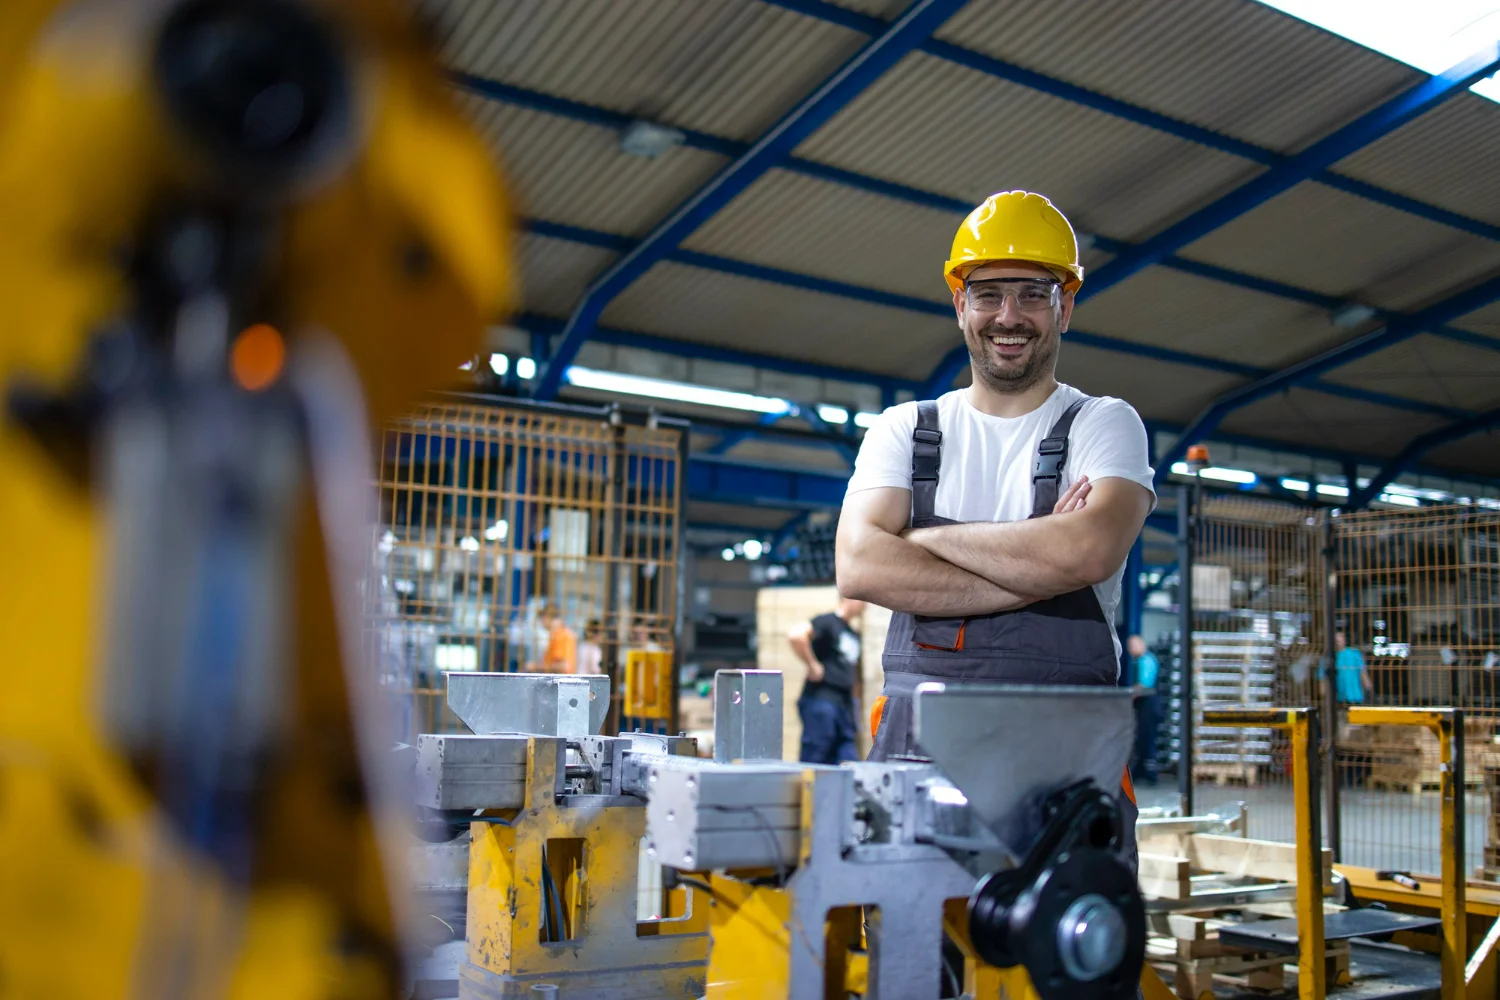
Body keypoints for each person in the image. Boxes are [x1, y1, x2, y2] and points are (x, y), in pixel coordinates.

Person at [836, 190, 1155, 866]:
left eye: (1033, 294)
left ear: (1064, 306)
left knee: (1067, 957)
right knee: (914, 964)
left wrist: (924, 541)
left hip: (1065, 774)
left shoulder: (1103, 424)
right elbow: (861, 566)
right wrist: (1042, 563)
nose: (1009, 317)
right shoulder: (907, 429)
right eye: (988, 294)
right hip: (916, 766)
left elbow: (1090, 549)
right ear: (960, 306)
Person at [788, 598, 867, 764]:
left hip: (844, 706)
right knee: (816, 756)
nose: (865, 606)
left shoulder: (852, 634)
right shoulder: (827, 622)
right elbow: (796, 635)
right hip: (822, 699)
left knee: (849, 761)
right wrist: (812, 664)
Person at [1128, 635, 1161, 784]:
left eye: (1133, 646)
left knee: (1147, 739)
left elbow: (1143, 686)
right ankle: (1140, 771)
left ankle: (1150, 773)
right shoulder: (1140, 661)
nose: (1130, 650)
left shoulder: (1146, 661)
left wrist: (1129, 696)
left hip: (1149, 706)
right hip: (1144, 707)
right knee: (1141, 739)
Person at [1334, 630, 1372, 705]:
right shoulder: (1329, 657)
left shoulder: (1354, 654)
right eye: (1336, 638)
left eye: (1341, 637)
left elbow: (1363, 673)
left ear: (1345, 639)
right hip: (1338, 698)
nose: (1338, 640)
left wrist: (1368, 688)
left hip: (1355, 696)